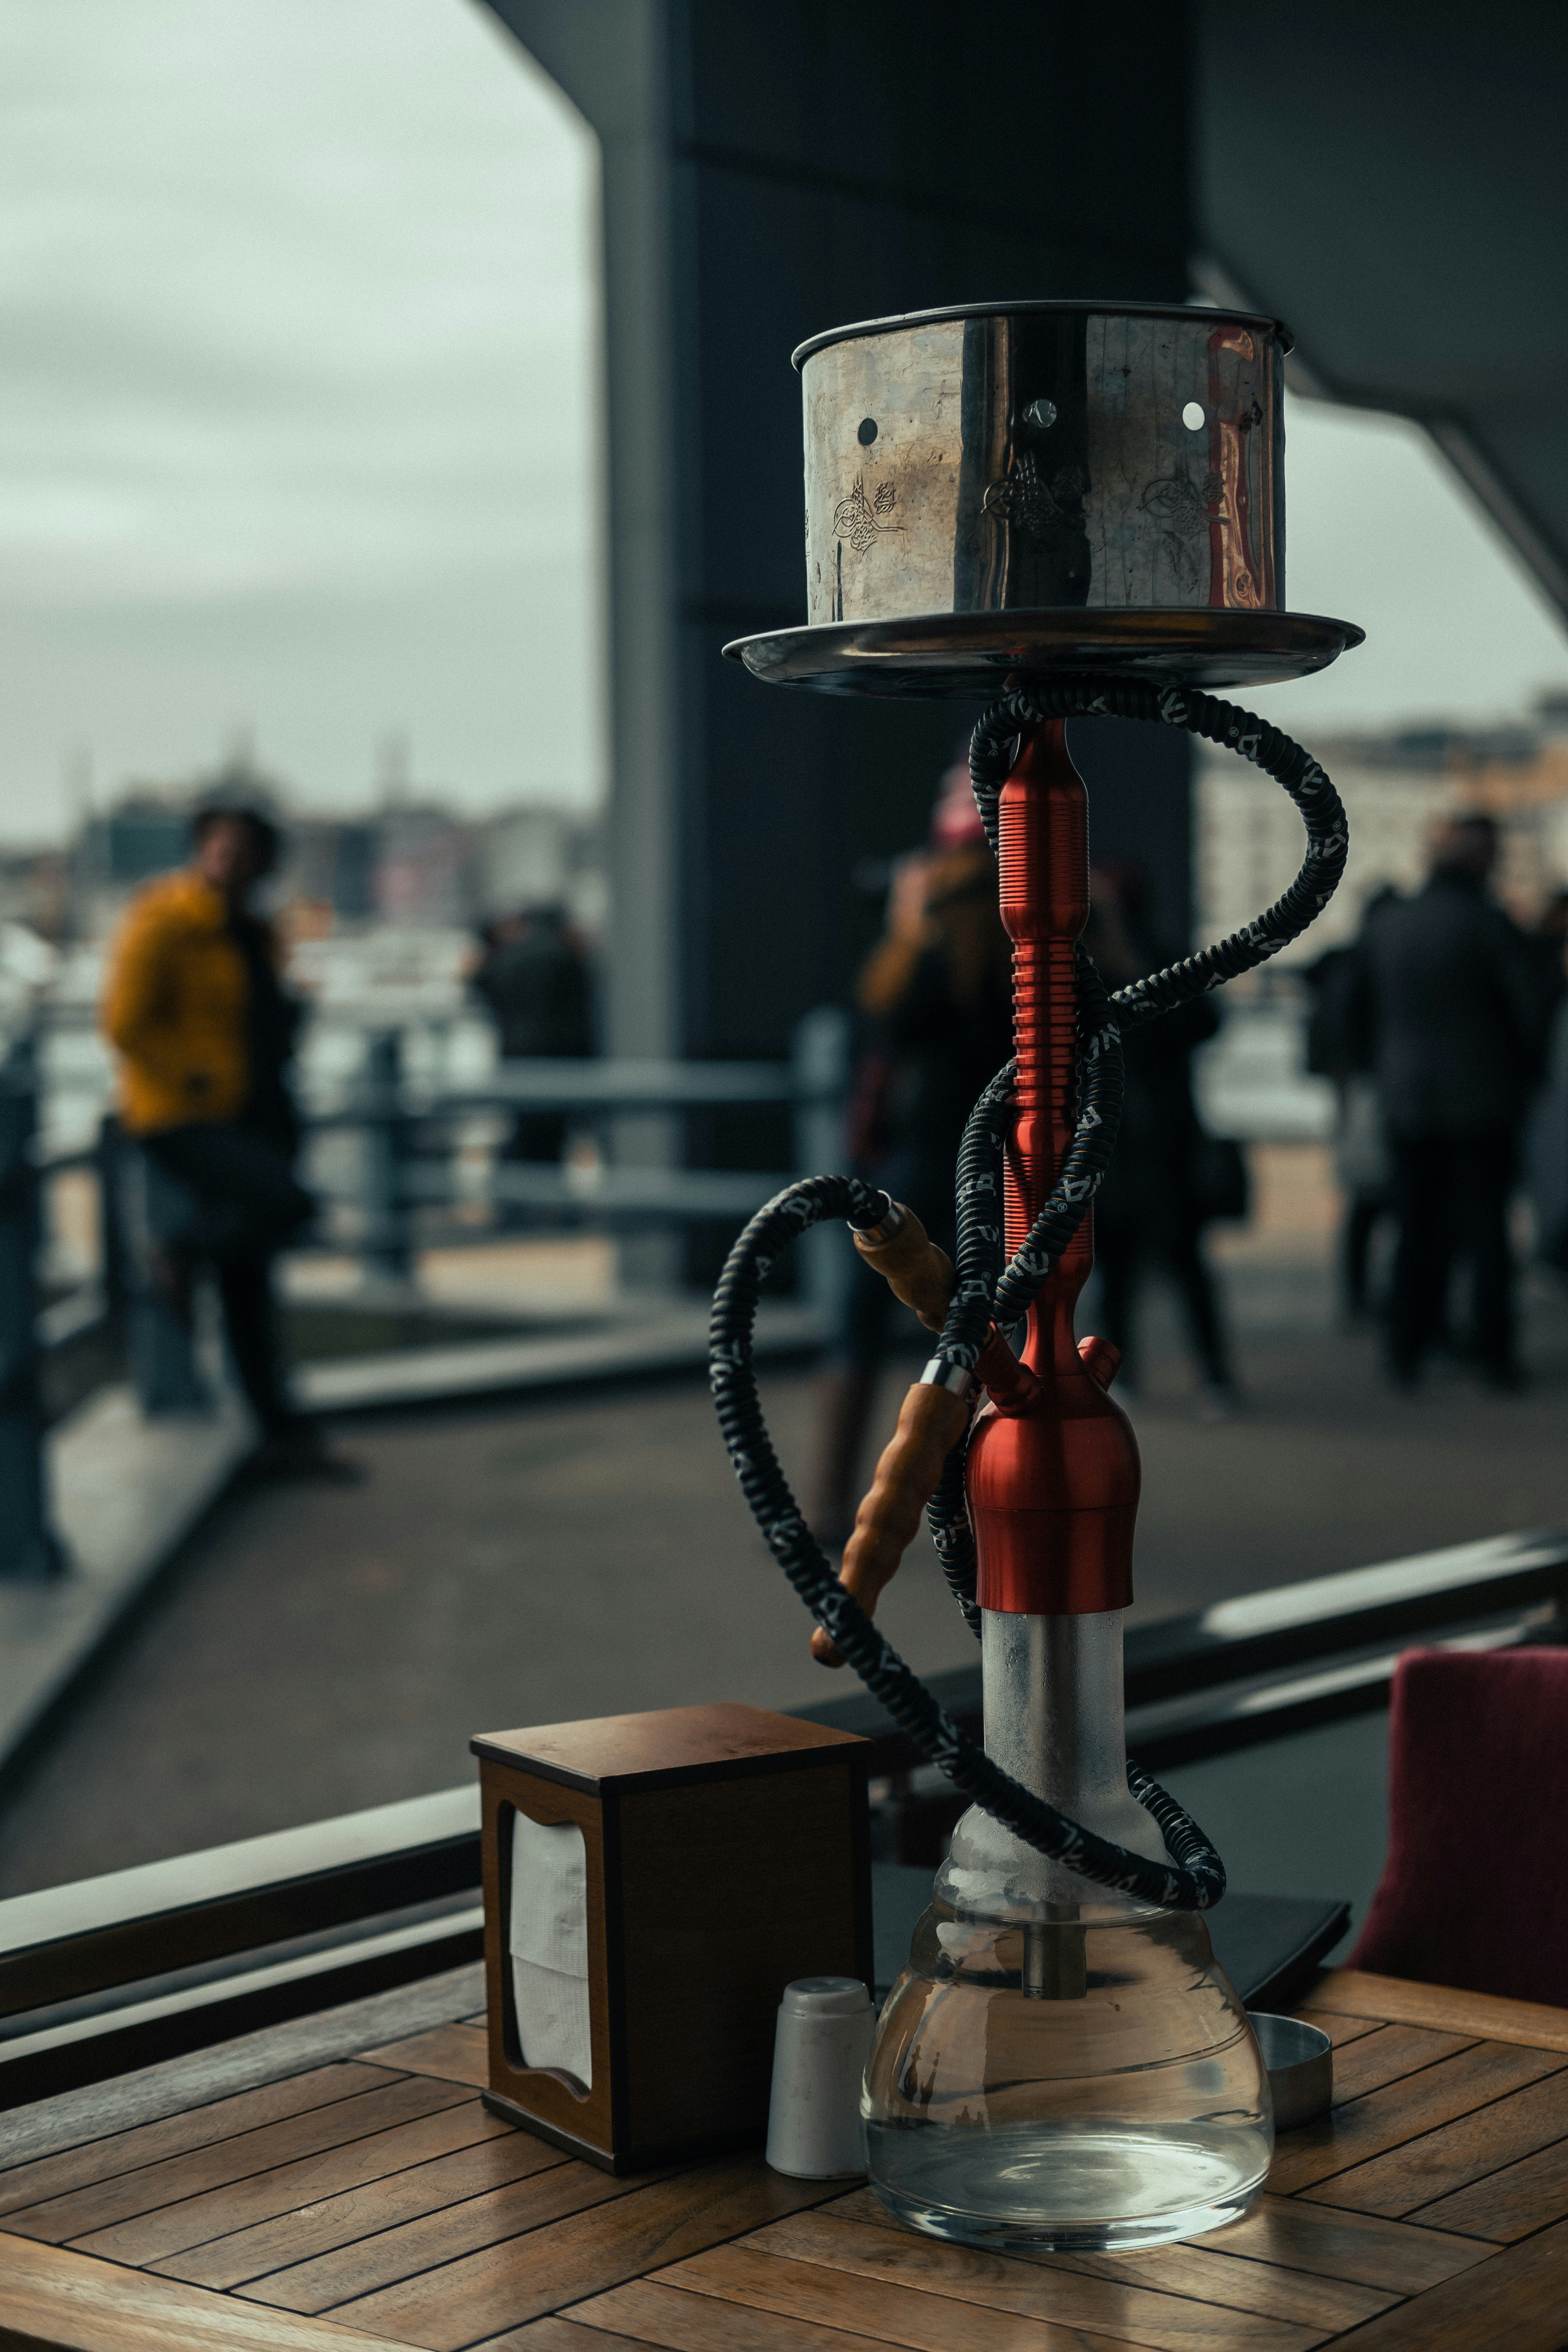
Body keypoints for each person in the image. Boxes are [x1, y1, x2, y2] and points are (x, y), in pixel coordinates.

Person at [102, 806, 354, 1476]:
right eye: (219, 849)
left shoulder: (253, 929)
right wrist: (190, 1076)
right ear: (199, 851)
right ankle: (178, 1255)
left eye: (245, 852)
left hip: (255, 1114)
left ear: (266, 862)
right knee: (289, 1204)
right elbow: (125, 1021)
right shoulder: (163, 920)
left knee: (250, 1289)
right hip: (182, 1116)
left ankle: (279, 1431)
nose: (230, 863)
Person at [808, 760, 1013, 1545]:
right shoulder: (1028, 939)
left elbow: (881, 1011)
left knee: (858, 1330)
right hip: (1000, 1169)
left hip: (923, 1164)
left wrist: (905, 921)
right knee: (977, 1346)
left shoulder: (936, 948)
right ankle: (972, 1511)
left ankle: (833, 1507)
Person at [1352, 815, 1548, 1390]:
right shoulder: (1489, 926)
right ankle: (1492, 1354)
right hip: (1482, 1101)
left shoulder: (1389, 925)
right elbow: (1528, 1013)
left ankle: (1406, 1349)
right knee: (1487, 1232)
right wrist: (1525, 1079)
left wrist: (1378, 1073)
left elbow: (1353, 1013)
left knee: (1413, 1229)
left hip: (1406, 1099)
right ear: (1482, 863)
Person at [1083, 861, 1239, 1412]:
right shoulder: (1123, 962)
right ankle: (1199, 1376)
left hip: (1140, 1134)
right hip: (1148, 1131)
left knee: (1148, 1261)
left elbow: (1204, 1023)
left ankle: (1164, 1375)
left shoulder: (1117, 962)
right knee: (1151, 1262)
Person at [1303, 886, 1398, 1323]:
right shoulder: (1368, 963)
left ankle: (1360, 1295)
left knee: (1365, 1196)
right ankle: (1367, 1295)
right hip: (1375, 1088)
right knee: (1375, 1193)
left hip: (1360, 1088)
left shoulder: (1347, 961)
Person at [469, 904, 595, 1167]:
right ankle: (550, 1199)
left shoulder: (512, 956)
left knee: (526, 1134)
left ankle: (525, 1198)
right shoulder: (564, 954)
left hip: (518, 1057)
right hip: (563, 1059)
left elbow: (482, 985)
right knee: (555, 1137)